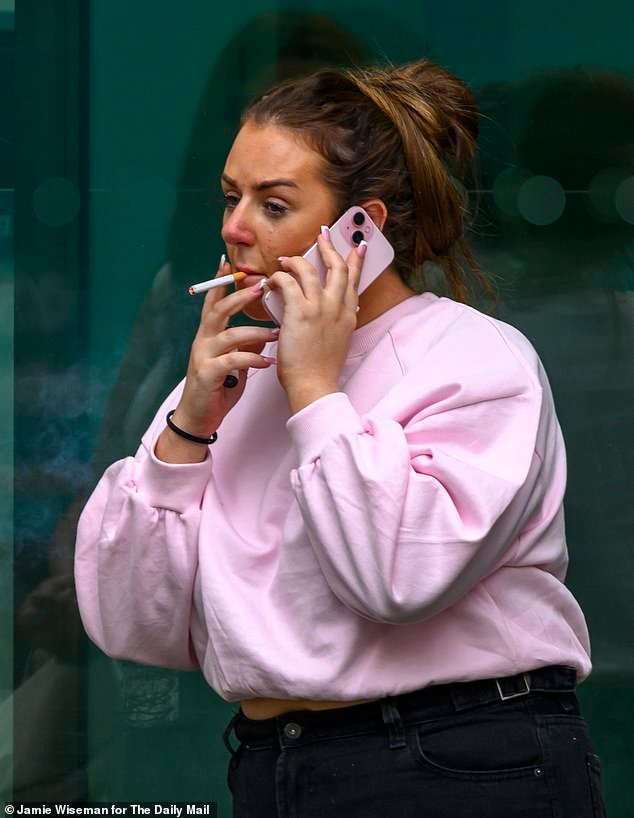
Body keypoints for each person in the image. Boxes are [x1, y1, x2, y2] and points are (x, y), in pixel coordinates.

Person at [75, 59, 605, 817]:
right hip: (273, 763)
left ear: (363, 229)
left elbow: (395, 579)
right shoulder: (233, 380)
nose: (233, 228)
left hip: (459, 758)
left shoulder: (477, 359)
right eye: (231, 197)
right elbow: (134, 627)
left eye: (274, 203)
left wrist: (316, 389)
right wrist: (187, 429)